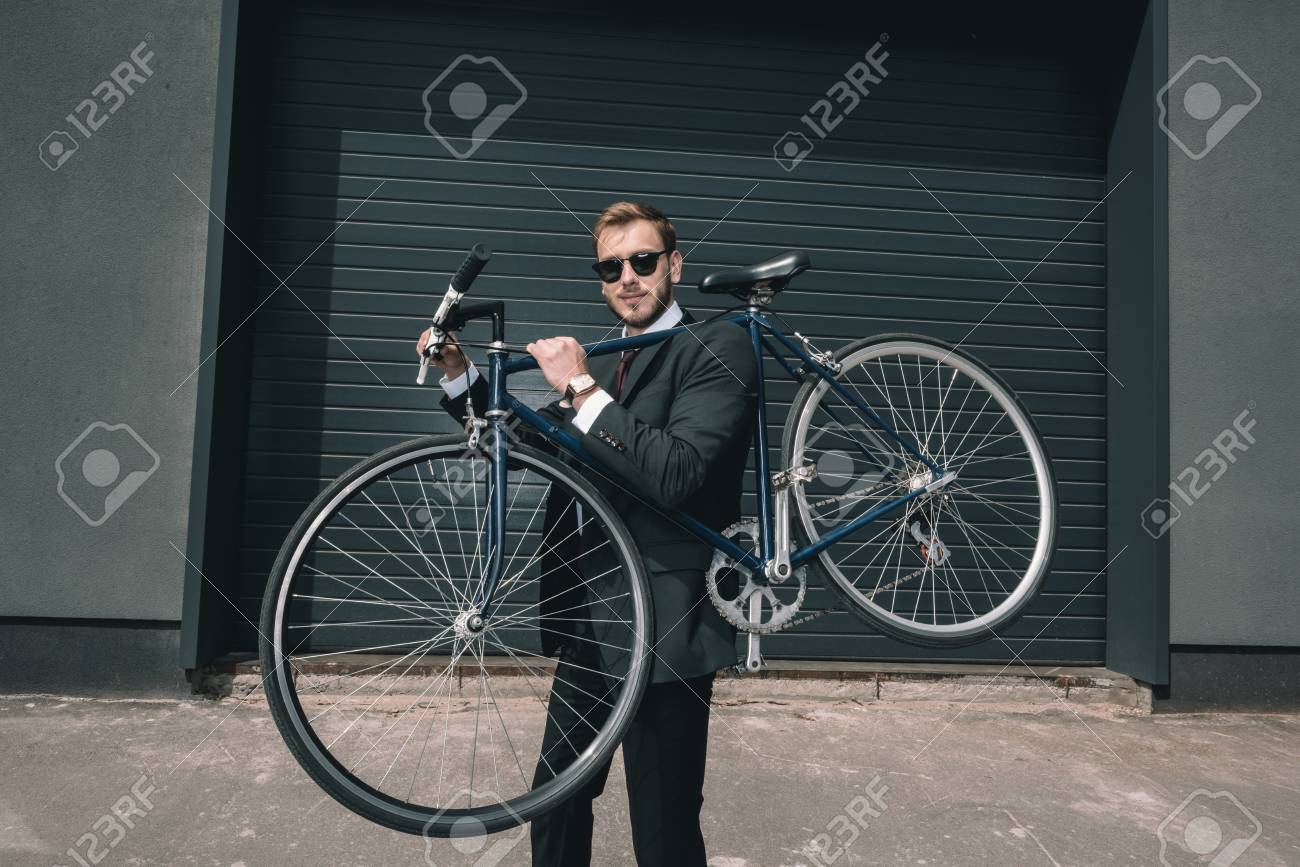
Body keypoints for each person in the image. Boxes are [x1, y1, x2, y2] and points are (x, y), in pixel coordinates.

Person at [417, 201, 757, 866]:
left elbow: (677, 473)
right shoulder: (613, 367)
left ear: (674, 266)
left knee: (662, 827)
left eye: (642, 260)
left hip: (667, 629)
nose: (627, 276)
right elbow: (530, 445)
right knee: (556, 799)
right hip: (591, 625)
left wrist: (577, 385)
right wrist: (461, 373)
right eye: (611, 266)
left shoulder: (717, 346)